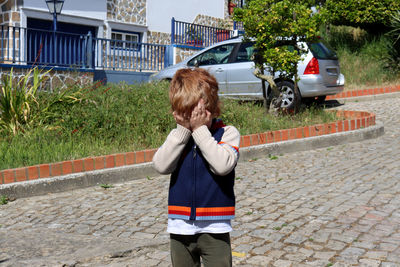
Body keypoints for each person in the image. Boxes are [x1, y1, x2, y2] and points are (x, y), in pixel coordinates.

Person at [153, 68, 240, 267]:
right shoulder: (178, 137)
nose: (193, 119)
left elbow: (222, 166)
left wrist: (201, 131)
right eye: (188, 112)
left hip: (215, 227)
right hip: (180, 226)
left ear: (212, 108)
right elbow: (160, 165)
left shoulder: (227, 133)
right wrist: (182, 133)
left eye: (199, 112)